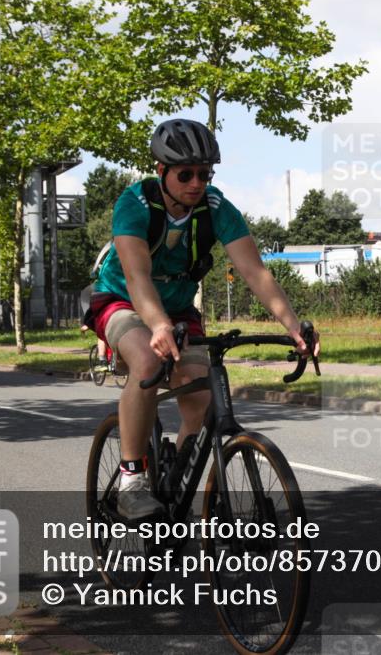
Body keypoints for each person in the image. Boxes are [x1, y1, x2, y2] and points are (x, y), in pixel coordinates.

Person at [88, 118, 319, 520]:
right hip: (121, 299)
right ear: (161, 171)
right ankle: (131, 480)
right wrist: (157, 326)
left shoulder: (215, 208)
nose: (196, 183)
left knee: (200, 400)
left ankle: (174, 487)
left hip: (178, 310)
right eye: (185, 174)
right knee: (146, 361)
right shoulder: (135, 203)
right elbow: (138, 277)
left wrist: (293, 325)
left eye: (204, 174)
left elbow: (255, 272)